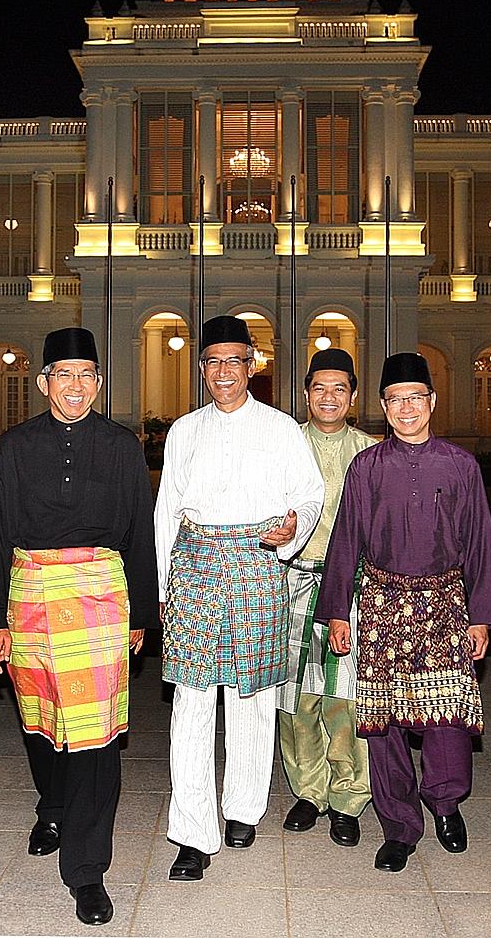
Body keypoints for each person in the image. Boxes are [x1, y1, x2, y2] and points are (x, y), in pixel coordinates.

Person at [0, 327, 156, 926]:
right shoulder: (17, 446)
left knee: (96, 732)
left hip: (102, 595)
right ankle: (51, 804)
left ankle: (87, 870)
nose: (74, 387)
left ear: (98, 384)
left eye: (86, 376)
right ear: (43, 382)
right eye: (63, 375)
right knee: (41, 718)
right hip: (30, 593)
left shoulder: (122, 445)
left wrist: (142, 616)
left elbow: (140, 533)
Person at [318, 352, 491, 872]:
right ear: (382, 406)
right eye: (396, 399)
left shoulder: (461, 465)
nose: (406, 408)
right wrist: (337, 610)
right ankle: (399, 825)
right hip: (381, 604)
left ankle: (446, 803)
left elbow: (480, 542)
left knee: (448, 717)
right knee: (386, 724)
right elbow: (346, 539)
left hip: (445, 603)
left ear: (432, 403)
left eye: (415, 398)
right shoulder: (367, 466)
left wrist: (480, 616)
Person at [155, 314, 325, 882]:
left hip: (256, 566)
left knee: (252, 700)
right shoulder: (183, 431)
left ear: (253, 365)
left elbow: (309, 492)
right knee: (193, 704)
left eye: (235, 361)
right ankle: (193, 831)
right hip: (197, 570)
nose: (223, 372)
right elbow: (166, 513)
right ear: (200, 368)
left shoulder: (281, 429)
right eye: (213, 363)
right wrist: (161, 588)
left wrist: (291, 529)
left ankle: (244, 807)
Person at [276, 349, 375, 848]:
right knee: (296, 699)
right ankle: (307, 792)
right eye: (319, 388)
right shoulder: (284, 443)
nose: (329, 397)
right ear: (306, 393)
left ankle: (348, 796)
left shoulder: (371, 450)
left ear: (353, 396)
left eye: (339, 389)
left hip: (352, 590)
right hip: (290, 582)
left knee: (346, 699)